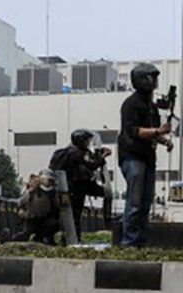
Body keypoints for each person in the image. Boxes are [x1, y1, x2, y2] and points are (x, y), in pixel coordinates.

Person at [118, 63, 174, 247]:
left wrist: (165, 140)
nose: (155, 81)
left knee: (145, 202)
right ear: (142, 79)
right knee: (134, 202)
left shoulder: (152, 107)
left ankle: (140, 241)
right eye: (152, 77)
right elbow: (134, 131)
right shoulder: (131, 104)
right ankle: (129, 242)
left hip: (148, 159)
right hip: (132, 156)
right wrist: (159, 132)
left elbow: (153, 132)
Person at [63, 129, 110, 241]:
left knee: (76, 213)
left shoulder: (77, 152)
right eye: (86, 141)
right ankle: (73, 238)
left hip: (81, 186)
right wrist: (103, 157)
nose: (88, 144)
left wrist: (98, 154)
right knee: (75, 214)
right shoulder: (75, 153)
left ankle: (74, 237)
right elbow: (92, 165)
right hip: (76, 187)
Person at [12, 170, 60, 244]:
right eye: (48, 180)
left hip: (44, 219)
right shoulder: (33, 191)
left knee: (54, 224)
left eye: (51, 181)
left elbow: (57, 207)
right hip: (31, 219)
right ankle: (11, 239)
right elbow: (21, 202)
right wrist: (23, 211)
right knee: (25, 235)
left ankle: (39, 238)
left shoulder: (53, 193)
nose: (49, 183)